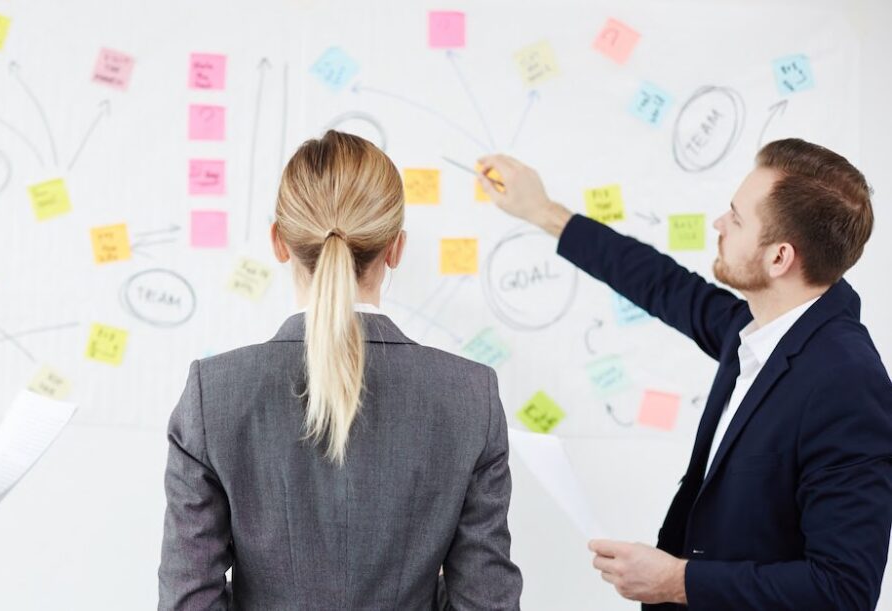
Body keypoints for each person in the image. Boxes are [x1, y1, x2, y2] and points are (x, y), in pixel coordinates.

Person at [477, 138, 892, 609]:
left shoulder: (846, 382)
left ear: (779, 257)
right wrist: (543, 211)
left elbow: (843, 591)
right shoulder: (761, 329)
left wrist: (679, 581)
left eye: (735, 218)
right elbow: (662, 284)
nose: (719, 223)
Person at [159, 130, 522, 609]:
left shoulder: (214, 394)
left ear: (278, 242)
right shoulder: (470, 396)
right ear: (396, 248)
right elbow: (487, 602)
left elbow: (189, 600)